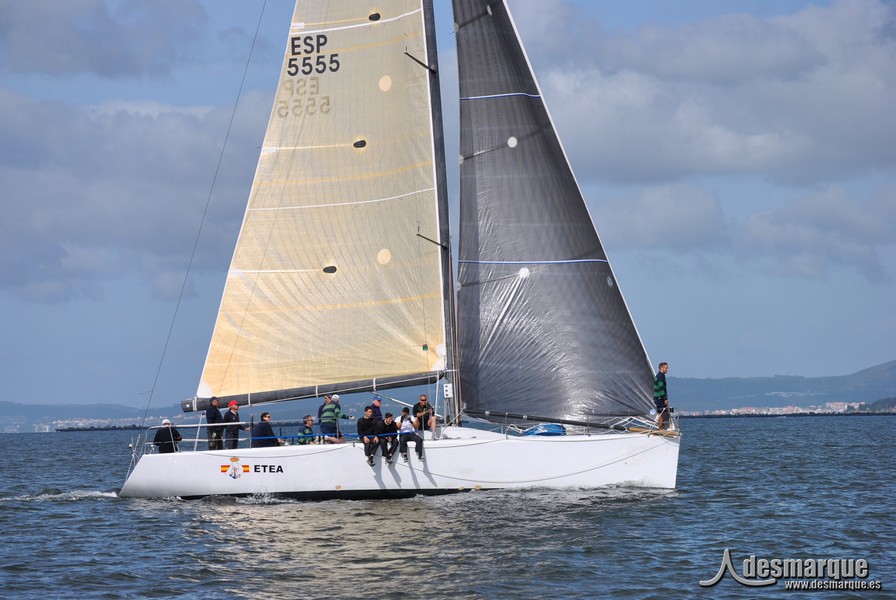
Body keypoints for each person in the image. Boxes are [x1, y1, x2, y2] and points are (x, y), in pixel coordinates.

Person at [654, 362, 670, 430]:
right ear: (662, 368)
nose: (667, 369)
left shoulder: (661, 376)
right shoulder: (660, 377)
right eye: (666, 368)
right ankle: (660, 428)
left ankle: (660, 427)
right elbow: (661, 388)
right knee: (661, 413)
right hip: (659, 398)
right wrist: (665, 398)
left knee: (661, 413)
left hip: (658, 397)